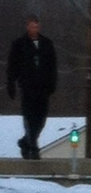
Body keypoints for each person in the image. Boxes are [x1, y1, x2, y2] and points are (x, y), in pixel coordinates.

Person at [7, 14, 58, 160]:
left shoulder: (47, 43)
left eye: (36, 26)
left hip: (43, 87)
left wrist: (52, 83)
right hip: (27, 87)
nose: (34, 29)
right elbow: (12, 66)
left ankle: (25, 142)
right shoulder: (19, 44)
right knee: (29, 117)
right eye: (31, 26)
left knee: (41, 118)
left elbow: (52, 66)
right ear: (27, 26)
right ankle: (33, 147)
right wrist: (11, 84)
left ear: (39, 26)